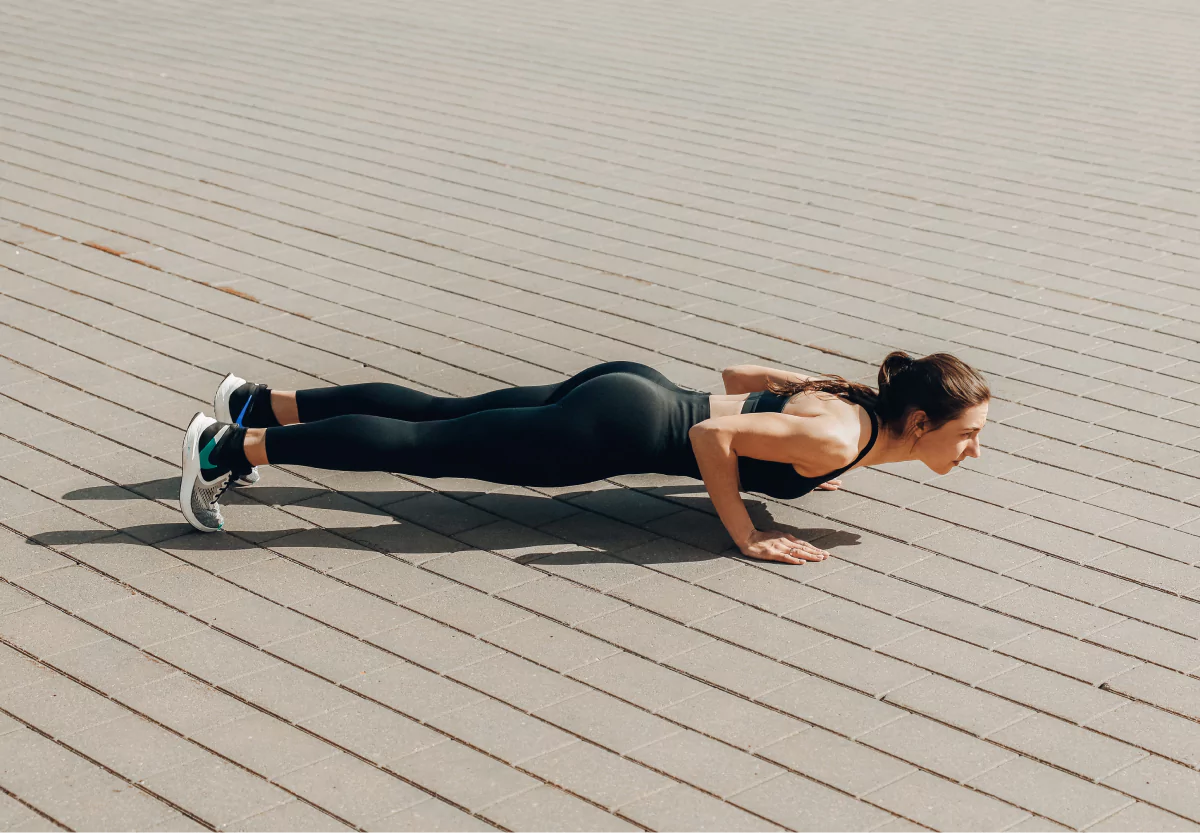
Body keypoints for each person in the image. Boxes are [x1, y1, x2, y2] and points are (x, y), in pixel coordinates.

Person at [180, 352, 990, 564]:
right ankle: (230, 446)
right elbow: (713, 440)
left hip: (630, 387)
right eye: (967, 432)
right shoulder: (839, 438)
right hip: (610, 432)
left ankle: (258, 403)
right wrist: (743, 532)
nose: (975, 447)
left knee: (438, 410)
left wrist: (790, 386)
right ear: (918, 420)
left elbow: (736, 385)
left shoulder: (843, 403)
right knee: (429, 446)